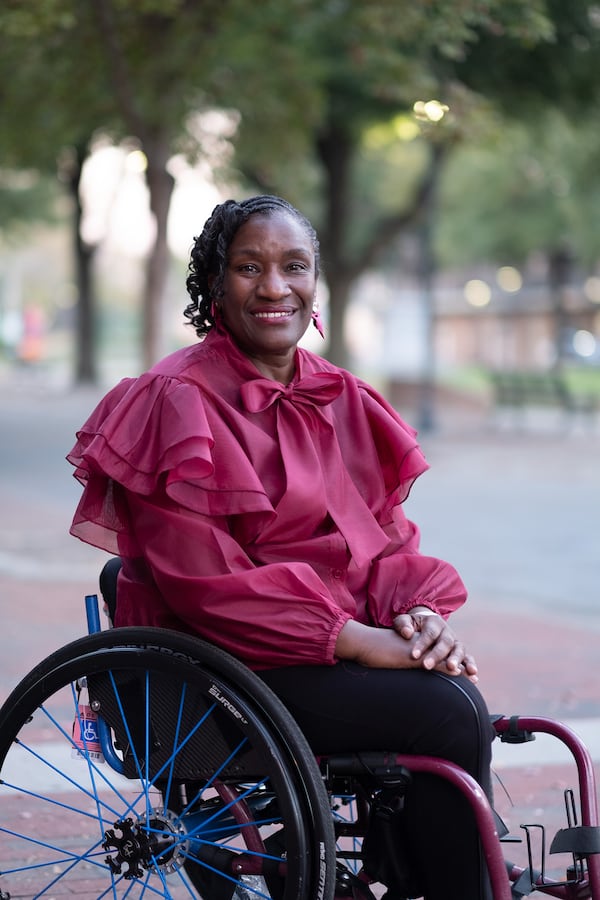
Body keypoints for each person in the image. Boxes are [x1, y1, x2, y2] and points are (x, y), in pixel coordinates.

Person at [68, 195, 495, 899]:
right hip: (226, 667)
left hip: (326, 644)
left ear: (315, 282)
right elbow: (204, 583)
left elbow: (384, 540)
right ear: (214, 287)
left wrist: (416, 615)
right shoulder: (173, 398)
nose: (274, 287)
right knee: (445, 711)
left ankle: (432, 873)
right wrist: (354, 639)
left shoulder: (342, 396)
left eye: (294, 266)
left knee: (450, 693)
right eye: (248, 268)